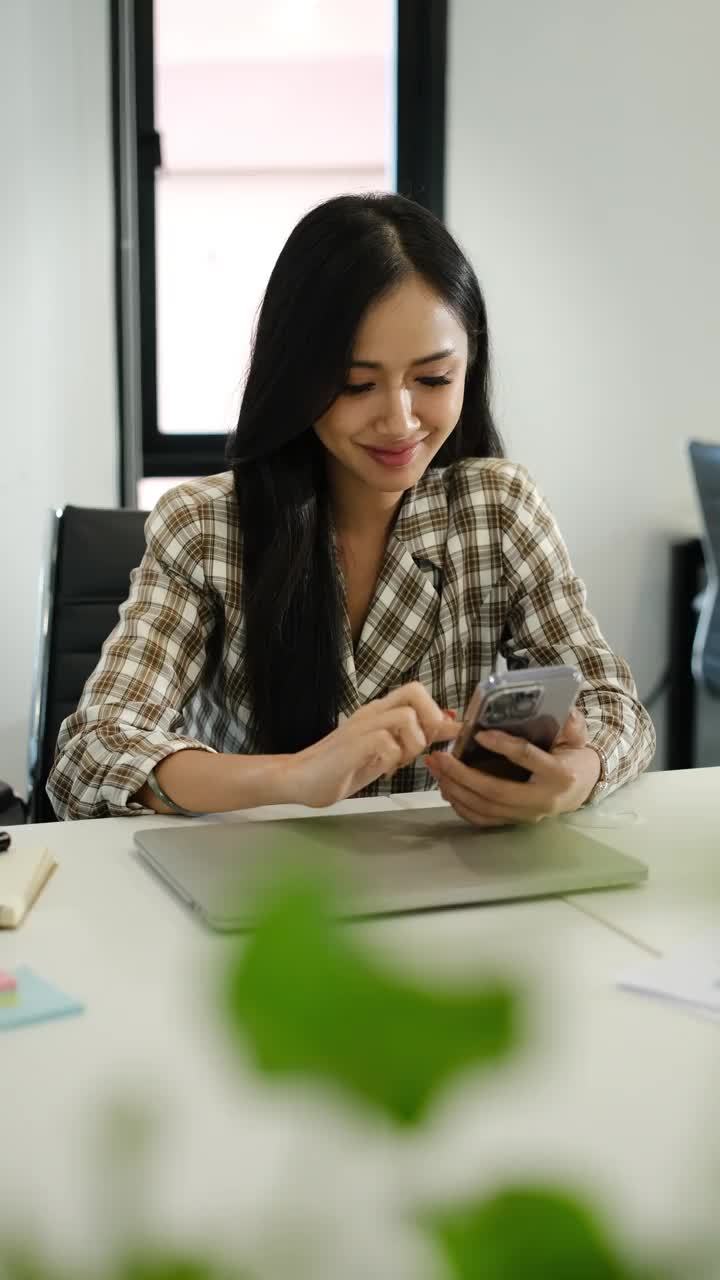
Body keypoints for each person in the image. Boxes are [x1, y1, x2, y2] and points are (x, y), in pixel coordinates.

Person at [48, 193, 655, 824]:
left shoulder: (497, 509)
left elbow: (614, 704)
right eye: (355, 385)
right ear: (296, 378)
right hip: (267, 901)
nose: (400, 421)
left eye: (434, 379)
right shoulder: (204, 527)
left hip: (449, 882)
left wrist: (576, 774)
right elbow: (90, 756)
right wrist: (293, 775)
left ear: (468, 365)